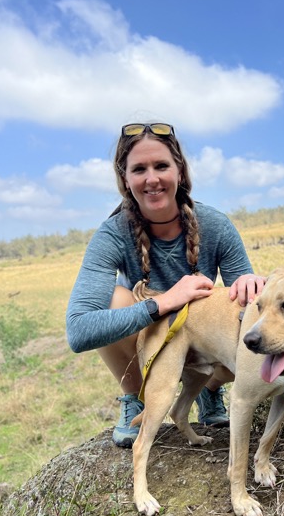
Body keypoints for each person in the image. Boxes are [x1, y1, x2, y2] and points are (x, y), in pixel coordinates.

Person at [66, 122, 265, 447]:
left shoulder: (215, 225)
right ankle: (135, 395)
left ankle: (209, 391)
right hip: (148, 340)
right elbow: (78, 331)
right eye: (139, 169)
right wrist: (165, 301)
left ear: (180, 172)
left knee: (241, 310)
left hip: (203, 340)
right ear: (125, 179)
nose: (152, 178)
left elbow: (249, 312)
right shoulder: (111, 235)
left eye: (161, 166)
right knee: (114, 298)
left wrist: (251, 285)